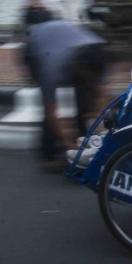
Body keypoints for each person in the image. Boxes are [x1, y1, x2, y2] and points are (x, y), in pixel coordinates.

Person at [23, 14, 108, 172]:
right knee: (49, 113)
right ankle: (50, 156)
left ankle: (85, 149)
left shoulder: (99, 51)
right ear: (75, 67)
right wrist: (67, 144)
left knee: (86, 102)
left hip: (74, 47)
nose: (88, 81)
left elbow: (101, 91)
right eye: (85, 76)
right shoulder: (50, 67)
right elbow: (51, 112)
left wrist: (97, 115)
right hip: (37, 47)